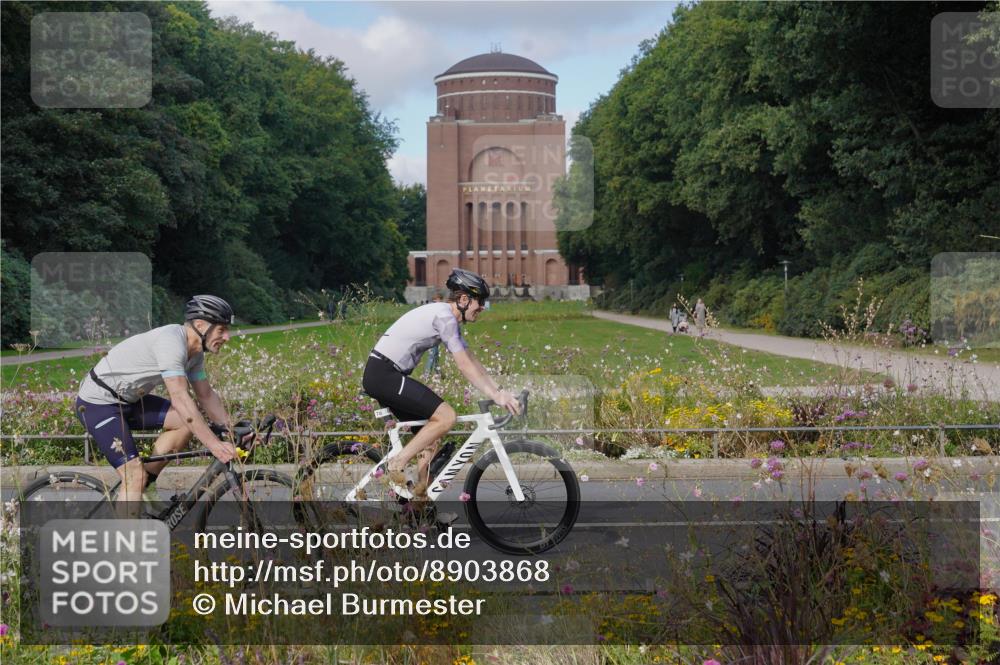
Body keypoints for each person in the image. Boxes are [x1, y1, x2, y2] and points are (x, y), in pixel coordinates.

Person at [362, 269, 521, 495]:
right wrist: (495, 396)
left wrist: (500, 391)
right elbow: (464, 365)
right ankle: (396, 465)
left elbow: (472, 360)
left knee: (430, 442)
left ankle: (419, 508)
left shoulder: (448, 319)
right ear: (464, 300)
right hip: (384, 374)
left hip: (387, 374)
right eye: (480, 302)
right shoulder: (444, 317)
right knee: (446, 417)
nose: (482, 307)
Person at [75, 295, 240, 511]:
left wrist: (232, 429)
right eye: (221, 330)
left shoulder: (195, 353)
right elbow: (180, 398)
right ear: (200, 325)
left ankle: (146, 486)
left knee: (183, 422)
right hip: (98, 404)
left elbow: (206, 395)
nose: (227, 336)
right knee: (132, 474)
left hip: (129, 400)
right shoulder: (171, 342)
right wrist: (215, 445)